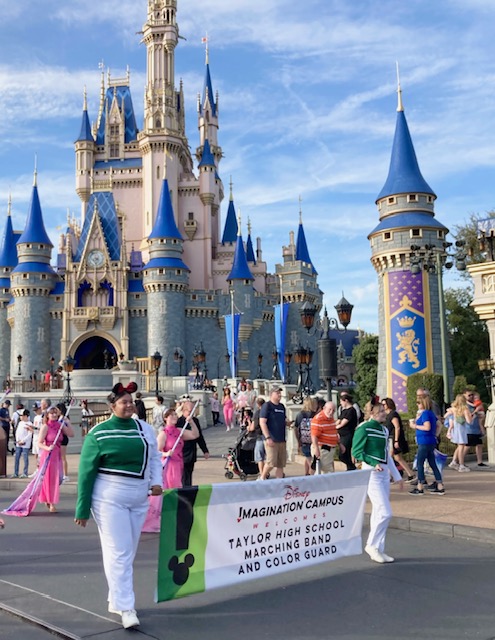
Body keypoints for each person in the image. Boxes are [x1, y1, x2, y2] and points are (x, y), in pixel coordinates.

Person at [74, 382, 162, 630]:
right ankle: (126, 607)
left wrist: (156, 481)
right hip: (109, 497)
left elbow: (155, 458)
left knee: (126, 552)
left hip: (138, 497)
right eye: (124, 402)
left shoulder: (145, 429)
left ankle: (115, 598)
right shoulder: (98, 434)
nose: (129, 405)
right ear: (112, 406)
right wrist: (82, 509)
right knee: (120, 553)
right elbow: (86, 473)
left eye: (131, 401)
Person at [352, 398, 403, 563]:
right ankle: (372, 545)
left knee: (378, 513)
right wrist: (373, 463)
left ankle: (379, 549)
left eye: (384, 410)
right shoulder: (363, 428)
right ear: (372, 413)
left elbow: (386, 456)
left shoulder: (384, 430)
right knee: (386, 512)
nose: (384, 413)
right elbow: (357, 452)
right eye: (381, 411)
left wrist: (397, 476)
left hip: (383, 474)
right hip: (371, 474)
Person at [142, 407, 199, 532]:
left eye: (175, 415)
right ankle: (158, 519)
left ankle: (171, 518)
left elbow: (195, 435)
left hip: (178, 464)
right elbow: (155, 452)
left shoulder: (179, 431)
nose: (174, 417)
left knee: (174, 491)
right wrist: (166, 454)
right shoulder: (163, 434)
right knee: (168, 491)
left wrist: (191, 422)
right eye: (171, 415)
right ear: (165, 418)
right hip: (168, 466)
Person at [38, 405, 74, 512]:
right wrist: (48, 448)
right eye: (51, 413)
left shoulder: (60, 425)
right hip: (48, 456)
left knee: (58, 479)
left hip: (57, 455)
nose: (54, 415)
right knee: (50, 479)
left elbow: (71, 434)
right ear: (47, 415)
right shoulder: (45, 427)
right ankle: (51, 502)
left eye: (55, 413)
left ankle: (48, 499)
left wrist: (68, 422)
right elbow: (39, 443)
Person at [408, 396, 445, 495]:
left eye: (418, 403)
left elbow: (427, 427)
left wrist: (414, 426)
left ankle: (420, 486)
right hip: (430, 440)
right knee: (432, 463)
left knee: (420, 464)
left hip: (424, 441)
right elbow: (439, 424)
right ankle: (440, 484)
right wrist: (435, 435)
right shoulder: (431, 413)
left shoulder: (425, 414)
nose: (417, 404)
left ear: (423, 404)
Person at [382, 397, 415, 482]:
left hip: (393, 439)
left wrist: (396, 440)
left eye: (384, 404)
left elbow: (397, 427)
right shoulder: (387, 415)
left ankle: (391, 476)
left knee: (391, 458)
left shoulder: (393, 414)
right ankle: (410, 473)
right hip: (390, 438)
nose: (382, 406)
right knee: (396, 458)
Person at [258, 385, 288, 480]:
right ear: (271, 394)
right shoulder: (267, 406)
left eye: (280, 393)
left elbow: (283, 420)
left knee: (280, 463)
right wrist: (267, 437)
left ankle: (279, 481)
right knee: (271, 462)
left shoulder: (282, 406)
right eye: (277, 393)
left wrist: (288, 422)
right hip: (271, 439)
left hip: (281, 439)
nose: (279, 394)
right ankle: (262, 477)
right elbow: (262, 422)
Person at [178, 400, 210, 487]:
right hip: (182, 453)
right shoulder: (179, 422)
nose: (192, 413)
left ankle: (188, 491)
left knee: (189, 475)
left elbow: (199, 437)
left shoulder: (195, 420)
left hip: (192, 453)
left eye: (193, 410)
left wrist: (205, 450)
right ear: (184, 411)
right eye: (189, 411)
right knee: (184, 477)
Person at [310, 401, 340, 473]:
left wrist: (340, 444)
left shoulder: (331, 419)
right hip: (323, 449)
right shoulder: (318, 419)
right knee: (328, 473)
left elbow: (334, 433)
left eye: (333, 410)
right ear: (324, 408)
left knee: (324, 472)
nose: (331, 412)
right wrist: (316, 449)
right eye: (329, 409)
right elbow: (314, 435)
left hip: (329, 450)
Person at [446, 394, 472, 472]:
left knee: (459, 446)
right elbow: (469, 421)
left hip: (455, 429)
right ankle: (461, 464)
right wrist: (471, 416)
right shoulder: (465, 409)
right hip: (462, 430)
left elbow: (446, 415)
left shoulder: (453, 409)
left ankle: (454, 461)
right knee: (461, 446)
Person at [464, 388, 487, 467]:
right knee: (467, 446)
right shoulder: (466, 406)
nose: (471, 397)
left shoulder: (475, 404)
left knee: (479, 444)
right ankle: (460, 460)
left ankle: (479, 461)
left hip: (477, 427)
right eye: (469, 395)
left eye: (472, 395)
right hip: (469, 428)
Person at [294, 396, 316, 475]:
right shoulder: (315, 415)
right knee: (311, 461)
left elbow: (296, 428)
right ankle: (312, 476)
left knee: (308, 457)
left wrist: (298, 440)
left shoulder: (300, 414)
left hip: (304, 440)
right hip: (314, 440)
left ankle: (307, 473)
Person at [336, 393, 357, 470]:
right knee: (345, 454)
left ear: (346, 401)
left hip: (348, 434)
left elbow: (342, 423)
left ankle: (352, 467)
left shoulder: (351, 411)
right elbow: (339, 420)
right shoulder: (344, 411)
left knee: (343, 454)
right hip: (341, 435)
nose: (341, 403)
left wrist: (335, 427)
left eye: (341, 401)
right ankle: (350, 468)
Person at [12, 409, 33, 478]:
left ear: (26, 416)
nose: (21, 417)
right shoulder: (20, 423)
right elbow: (17, 432)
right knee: (17, 458)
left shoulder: (29, 423)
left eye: (22, 416)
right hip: (19, 443)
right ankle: (16, 472)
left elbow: (30, 434)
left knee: (25, 458)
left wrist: (23, 440)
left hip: (25, 444)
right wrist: (18, 440)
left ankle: (25, 472)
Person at [57, 402, 72, 483]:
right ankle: (60, 473)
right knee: (59, 457)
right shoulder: (59, 418)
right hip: (59, 438)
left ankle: (65, 475)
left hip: (63, 439)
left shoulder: (64, 418)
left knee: (63, 457)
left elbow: (67, 429)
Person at [253, 397, 266, 477]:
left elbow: (254, 426)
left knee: (260, 456)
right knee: (267, 456)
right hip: (268, 436)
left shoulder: (257, 413)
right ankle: (266, 472)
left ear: (258, 405)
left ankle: (262, 473)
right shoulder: (267, 412)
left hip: (259, 436)